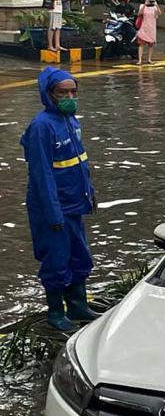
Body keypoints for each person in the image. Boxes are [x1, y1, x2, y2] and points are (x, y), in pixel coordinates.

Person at [20, 68, 99, 332]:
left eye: (73, 92)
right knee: (56, 259)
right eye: (62, 93)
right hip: (53, 208)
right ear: (49, 95)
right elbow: (42, 175)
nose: (69, 97)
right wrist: (53, 213)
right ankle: (56, 312)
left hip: (75, 203)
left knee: (79, 255)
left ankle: (77, 304)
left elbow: (79, 161)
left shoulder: (71, 120)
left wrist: (89, 191)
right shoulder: (42, 127)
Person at [135, 0, 159, 64]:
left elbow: (159, 13)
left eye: (151, 1)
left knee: (151, 44)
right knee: (141, 44)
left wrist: (156, 5)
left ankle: (149, 59)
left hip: (152, 27)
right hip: (144, 27)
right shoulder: (142, 6)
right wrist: (145, 5)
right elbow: (139, 13)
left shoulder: (154, 7)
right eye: (148, 0)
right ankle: (140, 60)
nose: (150, 2)